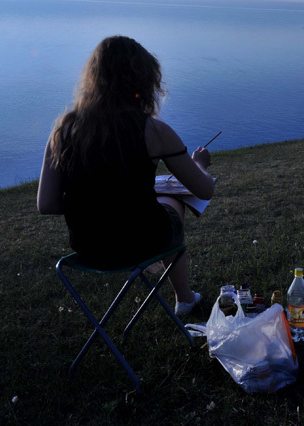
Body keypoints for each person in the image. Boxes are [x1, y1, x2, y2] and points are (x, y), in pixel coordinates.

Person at [37, 35, 215, 316]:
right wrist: (199, 163)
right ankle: (184, 298)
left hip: (89, 247)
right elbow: (204, 190)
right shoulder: (153, 131)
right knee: (173, 203)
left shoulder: (63, 131)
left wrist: (94, 204)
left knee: (157, 201)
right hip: (141, 242)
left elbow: (46, 204)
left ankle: (184, 296)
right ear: (143, 80)